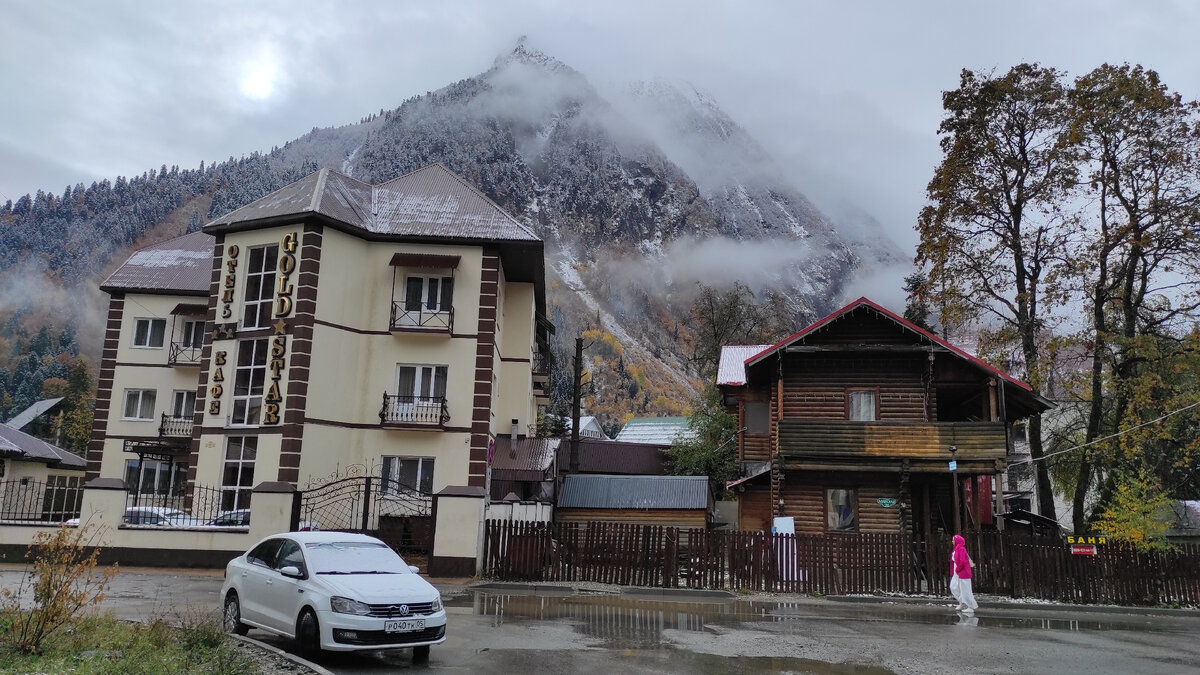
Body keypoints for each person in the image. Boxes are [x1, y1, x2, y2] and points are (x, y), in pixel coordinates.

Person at [950, 534, 978, 613]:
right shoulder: (956, 549)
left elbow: (962, 561)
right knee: (954, 587)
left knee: (966, 590)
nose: (952, 541)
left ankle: (970, 606)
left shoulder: (961, 549)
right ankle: (962, 602)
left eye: (953, 540)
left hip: (963, 572)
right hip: (958, 572)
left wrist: (958, 569)